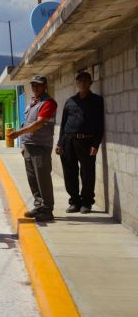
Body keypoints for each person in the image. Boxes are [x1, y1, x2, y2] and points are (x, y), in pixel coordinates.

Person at [7, 75, 58, 222]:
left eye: (38, 85)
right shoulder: (33, 102)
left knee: (43, 178)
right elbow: (27, 122)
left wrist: (18, 134)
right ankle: (39, 205)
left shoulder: (48, 103)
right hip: (29, 146)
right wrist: (23, 144)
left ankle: (47, 209)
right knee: (32, 178)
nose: (35, 88)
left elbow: (39, 124)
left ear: (45, 86)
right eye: (33, 85)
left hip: (41, 146)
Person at [56, 71, 104, 214]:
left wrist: (96, 144)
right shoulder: (70, 101)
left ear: (90, 82)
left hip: (87, 142)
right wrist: (59, 143)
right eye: (79, 81)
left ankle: (87, 203)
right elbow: (63, 123)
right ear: (76, 83)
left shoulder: (97, 101)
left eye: (85, 80)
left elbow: (100, 124)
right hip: (69, 141)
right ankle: (74, 201)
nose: (82, 83)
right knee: (70, 172)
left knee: (87, 173)